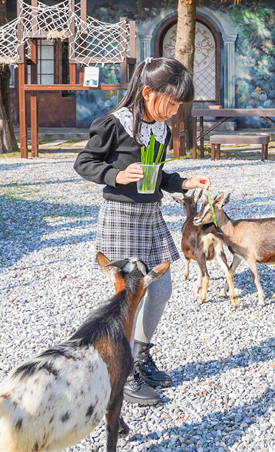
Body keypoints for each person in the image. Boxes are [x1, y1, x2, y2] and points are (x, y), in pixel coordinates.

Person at [74, 57, 209, 406]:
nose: (175, 111)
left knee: (161, 289)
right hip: (121, 215)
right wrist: (116, 175)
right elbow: (84, 163)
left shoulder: (161, 129)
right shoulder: (113, 124)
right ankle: (122, 371)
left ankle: (140, 355)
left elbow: (158, 176)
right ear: (148, 92)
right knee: (130, 299)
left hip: (150, 215)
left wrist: (182, 182)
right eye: (172, 103)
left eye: (179, 105)